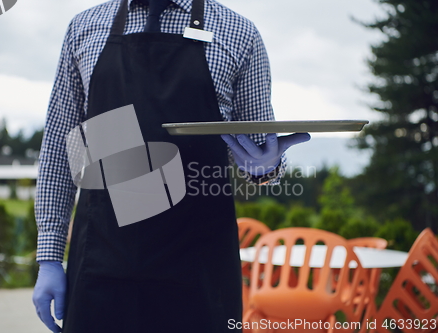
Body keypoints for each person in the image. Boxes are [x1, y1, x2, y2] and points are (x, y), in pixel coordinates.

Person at [32, 0, 310, 332]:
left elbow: (260, 147)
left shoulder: (239, 34)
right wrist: (49, 256)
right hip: (103, 264)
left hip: (200, 272)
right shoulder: (84, 29)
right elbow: (59, 149)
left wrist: (264, 167)